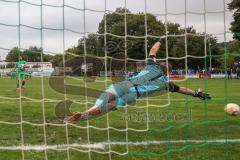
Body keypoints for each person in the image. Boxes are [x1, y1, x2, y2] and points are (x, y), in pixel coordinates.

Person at [64, 37, 211, 124]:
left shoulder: (151, 65)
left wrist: (161, 40)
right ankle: (84, 115)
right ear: (170, 72)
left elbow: (153, 51)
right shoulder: (167, 84)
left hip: (126, 85)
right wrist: (197, 94)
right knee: (111, 106)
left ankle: (85, 112)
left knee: (104, 98)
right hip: (133, 95)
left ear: (160, 64)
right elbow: (183, 90)